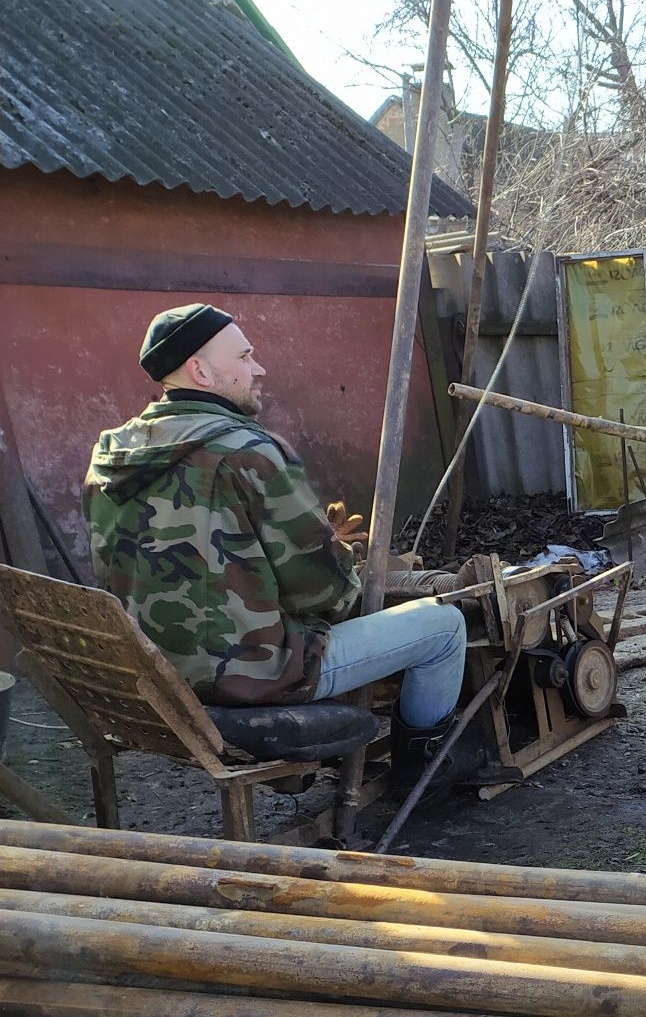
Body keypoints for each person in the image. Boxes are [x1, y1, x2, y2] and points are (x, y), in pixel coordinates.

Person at [84, 303, 478, 787]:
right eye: (245, 357)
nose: (259, 368)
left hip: (159, 678)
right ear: (200, 370)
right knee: (444, 626)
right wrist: (346, 563)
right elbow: (329, 596)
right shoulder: (248, 451)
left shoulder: (108, 459)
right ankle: (423, 769)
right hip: (250, 678)